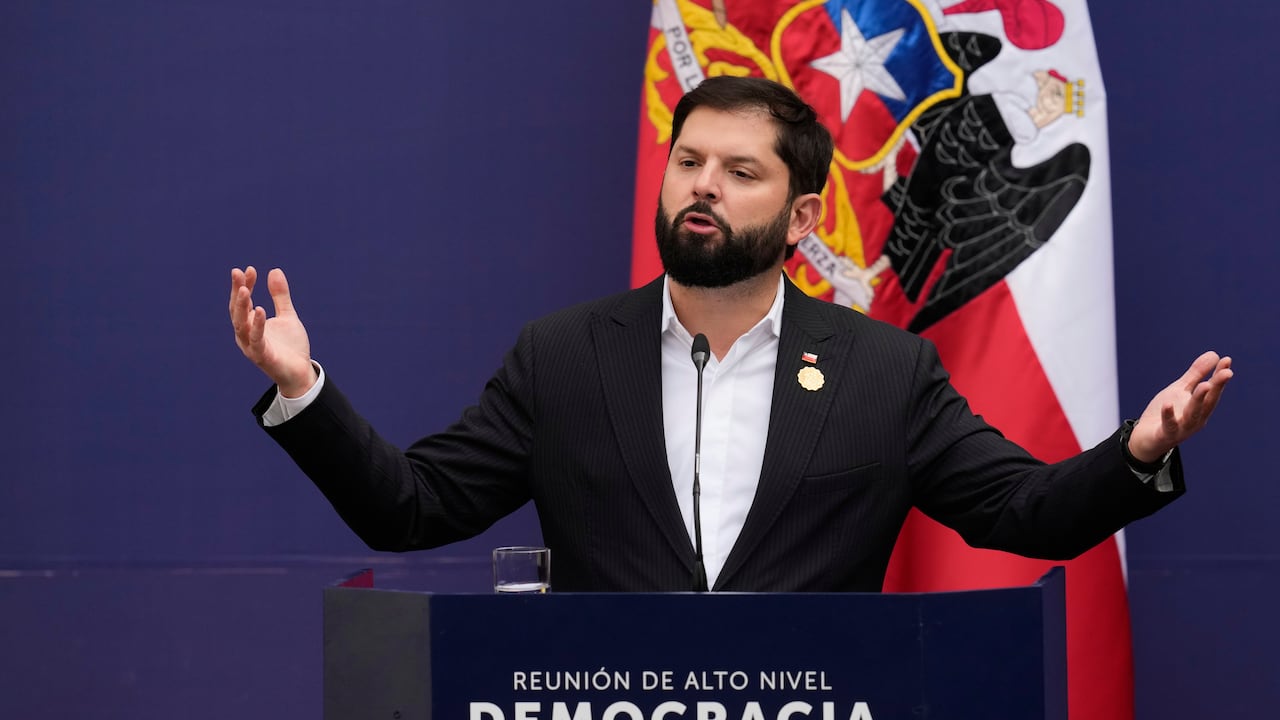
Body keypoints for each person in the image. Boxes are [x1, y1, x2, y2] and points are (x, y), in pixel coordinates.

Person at [229, 77, 1231, 592]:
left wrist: (1137, 454)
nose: (702, 183)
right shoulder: (563, 356)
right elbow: (411, 508)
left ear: (800, 218)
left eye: (739, 171)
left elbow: (1026, 513)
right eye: (688, 161)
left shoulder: (883, 371)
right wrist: (303, 391)